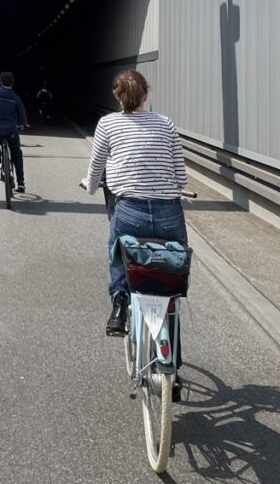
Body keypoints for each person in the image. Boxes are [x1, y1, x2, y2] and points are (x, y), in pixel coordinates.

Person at [80, 69, 188, 389]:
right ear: (146, 95)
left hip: (129, 211)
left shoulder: (107, 124)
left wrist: (90, 185)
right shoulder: (166, 124)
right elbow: (181, 177)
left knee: (117, 251)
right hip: (169, 215)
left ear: (118, 97)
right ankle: (172, 368)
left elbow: (96, 169)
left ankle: (119, 304)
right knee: (168, 281)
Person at [0, 71, 28, 193]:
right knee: (16, 154)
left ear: (1, 81)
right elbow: (21, 112)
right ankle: (21, 183)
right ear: (12, 83)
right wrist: (22, 124)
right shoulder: (15, 97)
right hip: (11, 130)